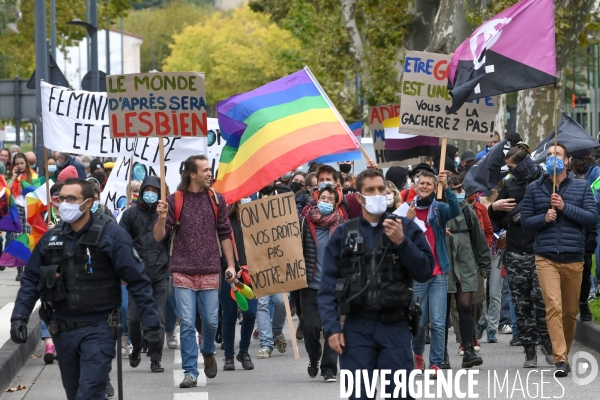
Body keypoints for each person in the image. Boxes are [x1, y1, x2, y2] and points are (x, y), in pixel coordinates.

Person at [10, 178, 161, 400]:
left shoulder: (111, 235)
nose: (64, 204)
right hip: (63, 330)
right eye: (61, 199)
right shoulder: (52, 238)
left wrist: (150, 322)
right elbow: (31, 280)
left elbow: (137, 280)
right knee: (75, 393)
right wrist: (19, 317)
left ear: (88, 202)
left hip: (99, 328)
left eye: (72, 199)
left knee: (88, 392)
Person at [318, 168, 435, 399]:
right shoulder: (343, 234)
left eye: (381, 189)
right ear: (359, 197)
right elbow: (327, 286)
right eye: (370, 190)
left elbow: (424, 271)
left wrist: (402, 243)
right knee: (358, 394)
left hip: (396, 326)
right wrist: (332, 328)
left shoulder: (406, 228)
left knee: (400, 394)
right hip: (356, 328)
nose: (378, 194)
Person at [154, 155, 237, 388]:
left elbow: (225, 233)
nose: (210, 174)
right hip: (182, 270)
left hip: (210, 269)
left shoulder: (217, 200)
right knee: (188, 323)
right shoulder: (174, 200)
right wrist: (161, 219)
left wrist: (230, 265)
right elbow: (159, 236)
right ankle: (190, 372)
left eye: (210, 170)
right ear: (192, 174)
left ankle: (208, 350)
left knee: (211, 322)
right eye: (206, 170)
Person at [521, 143, 597, 377]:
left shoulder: (582, 187)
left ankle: (562, 347)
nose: (553, 158)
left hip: (574, 257)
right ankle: (561, 359)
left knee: (569, 311)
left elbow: (592, 218)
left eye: (558, 155)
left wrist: (564, 207)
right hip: (546, 257)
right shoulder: (534, 188)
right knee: (553, 306)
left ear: (566, 161)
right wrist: (544, 218)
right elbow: (525, 222)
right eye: (550, 155)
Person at [489, 144, 553, 366]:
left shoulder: (545, 182)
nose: (509, 171)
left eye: (512, 166)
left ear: (524, 164)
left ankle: (547, 344)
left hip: (541, 251)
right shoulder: (509, 184)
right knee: (521, 304)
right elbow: (496, 221)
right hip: (516, 252)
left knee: (542, 301)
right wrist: (494, 208)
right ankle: (529, 350)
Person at [405, 170, 461, 376]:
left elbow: (456, 211)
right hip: (418, 274)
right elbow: (398, 240)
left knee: (438, 322)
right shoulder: (406, 210)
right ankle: (418, 355)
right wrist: (408, 221)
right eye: (422, 183)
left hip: (439, 273)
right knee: (418, 322)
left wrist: (447, 188)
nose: (425, 186)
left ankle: (436, 362)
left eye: (430, 183)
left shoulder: (439, 208)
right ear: (416, 186)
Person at [120, 176, 169, 373]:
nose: (150, 193)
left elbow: (169, 240)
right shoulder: (129, 215)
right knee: (133, 318)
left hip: (159, 274)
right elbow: (122, 244)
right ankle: (137, 347)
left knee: (159, 318)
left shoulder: (164, 214)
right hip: (136, 276)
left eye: (154, 190)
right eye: (147, 189)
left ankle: (156, 359)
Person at [300, 186, 344, 382]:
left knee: (330, 328)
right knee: (310, 328)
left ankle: (329, 369)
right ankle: (314, 357)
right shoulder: (304, 222)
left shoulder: (342, 225)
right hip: (309, 285)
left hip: (332, 287)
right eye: (322, 198)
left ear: (335, 203)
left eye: (329, 199)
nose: (325, 201)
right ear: (316, 199)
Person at [219, 202, 257, 371]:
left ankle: (243, 351)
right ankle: (229, 356)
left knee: (250, 313)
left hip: (249, 273)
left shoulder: (248, 218)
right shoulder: (217, 221)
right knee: (229, 315)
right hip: (225, 274)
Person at [570, 147, 600, 321]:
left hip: (595, 221)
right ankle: (581, 301)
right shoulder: (568, 177)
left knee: (589, 263)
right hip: (577, 223)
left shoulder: (596, 173)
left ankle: (585, 298)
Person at [7, 152, 38, 281]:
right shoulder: (11, 177)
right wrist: (14, 177)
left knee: (29, 238)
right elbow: (6, 192)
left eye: (21, 163)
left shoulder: (33, 176)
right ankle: (19, 269)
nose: (19, 166)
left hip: (29, 209)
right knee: (17, 238)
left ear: (26, 163)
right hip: (17, 210)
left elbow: (37, 193)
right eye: (17, 164)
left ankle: (28, 268)